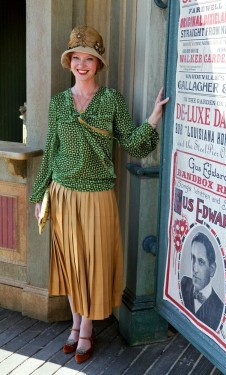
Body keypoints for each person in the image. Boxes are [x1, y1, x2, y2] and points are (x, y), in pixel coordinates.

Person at [29, 25, 169, 364]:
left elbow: (132, 143)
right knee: (72, 266)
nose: (81, 64)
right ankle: (76, 325)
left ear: (98, 63)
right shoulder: (59, 103)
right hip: (62, 195)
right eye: (76, 58)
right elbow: (51, 151)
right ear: (69, 62)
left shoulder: (111, 101)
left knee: (92, 265)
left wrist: (152, 119)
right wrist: (39, 194)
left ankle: (88, 329)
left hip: (97, 197)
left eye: (88, 58)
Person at [181, 232, 224, 331]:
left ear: (212, 269)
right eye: (193, 258)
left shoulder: (219, 308)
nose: (194, 268)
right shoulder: (184, 283)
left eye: (201, 262)